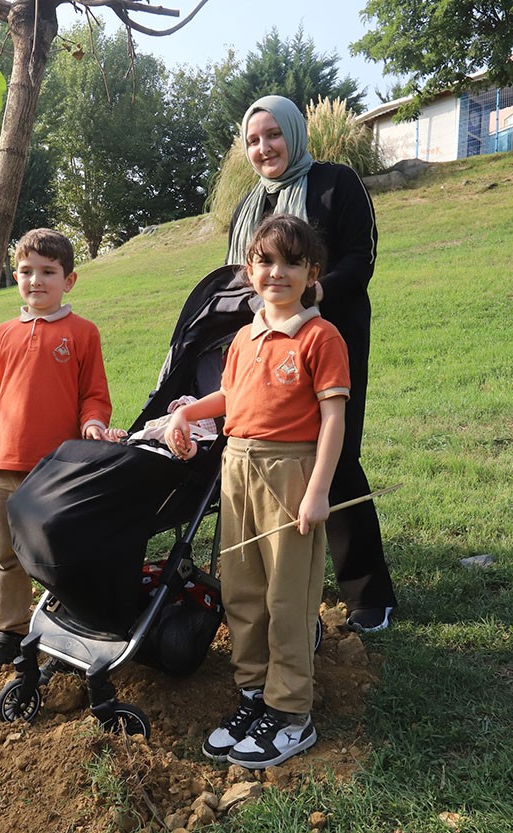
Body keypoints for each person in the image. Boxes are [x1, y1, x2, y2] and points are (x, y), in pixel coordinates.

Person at [166, 213, 348, 769]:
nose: (277, 273)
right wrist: (189, 412)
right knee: (241, 591)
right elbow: (232, 397)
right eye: (266, 261)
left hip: (289, 474)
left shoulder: (321, 337)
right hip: (237, 466)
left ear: (311, 272)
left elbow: (335, 419)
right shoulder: (243, 338)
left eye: (292, 262)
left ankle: (292, 711)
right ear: (250, 269)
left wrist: (317, 491)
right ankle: (253, 693)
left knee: (286, 596)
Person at [227, 94, 397, 633]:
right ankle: (289, 580)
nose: (264, 148)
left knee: (338, 457)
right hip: (264, 350)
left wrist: (310, 295)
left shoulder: (335, 183)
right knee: (278, 459)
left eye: (273, 134)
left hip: (329, 338)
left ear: (295, 134)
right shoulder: (247, 206)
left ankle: (369, 594)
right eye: (253, 140)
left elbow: (360, 259)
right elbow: (237, 278)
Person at [0, 228, 117, 678]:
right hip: (5, 467)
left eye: (48, 272)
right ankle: (8, 633)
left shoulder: (83, 333)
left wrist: (93, 423)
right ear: (15, 277)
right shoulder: (2, 335)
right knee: (8, 554)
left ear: (69, 280)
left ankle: (64, 634)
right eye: (27, 272)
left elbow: (95, 394)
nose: (36, 281)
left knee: (59, 553)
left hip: (59, 469)